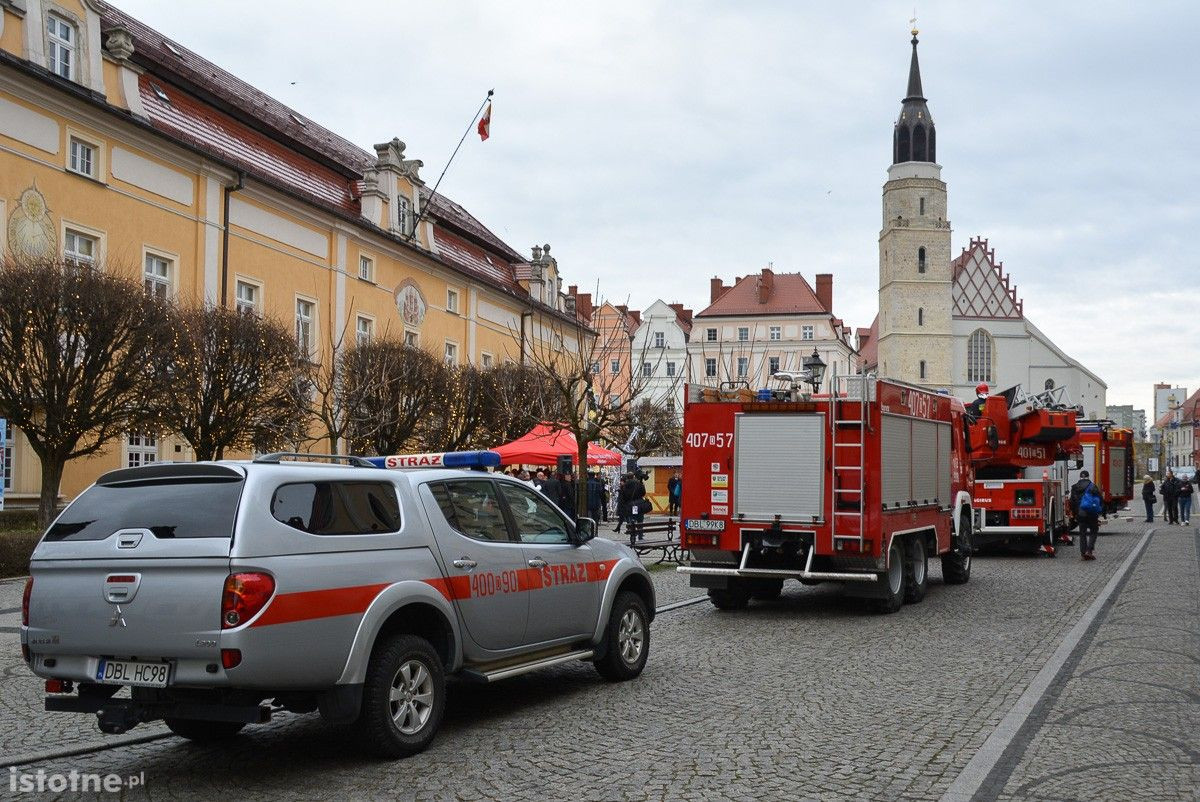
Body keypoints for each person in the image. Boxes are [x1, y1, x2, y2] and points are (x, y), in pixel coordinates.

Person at [1070, 470, 1101, 560]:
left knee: (1082, 533)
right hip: (1092, 513)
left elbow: (1072, 502)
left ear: (1080, 477)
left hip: (1081, 513)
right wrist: (1099, 512)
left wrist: (1075, 514)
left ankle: (1083, 553)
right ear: (1088, 476)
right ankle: (1089, 551)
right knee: (1094, 531)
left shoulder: (1075, 487)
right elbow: (1099, 500)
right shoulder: (1093, 486)